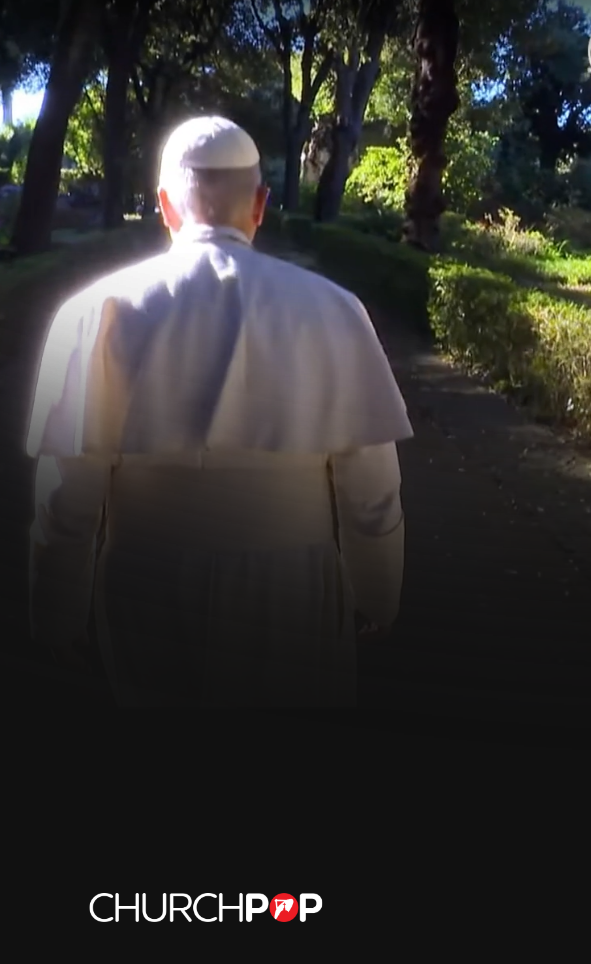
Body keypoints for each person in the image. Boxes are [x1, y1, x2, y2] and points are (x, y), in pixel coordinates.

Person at [25, 115, 413, 707]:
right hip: (294, 589)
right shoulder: (335, 308)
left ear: (164, 206)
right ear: (260, 204)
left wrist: (55, 615)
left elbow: (65, 499)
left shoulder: (92, 310)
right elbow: (373, 493)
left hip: (144, 587)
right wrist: (378, 596)